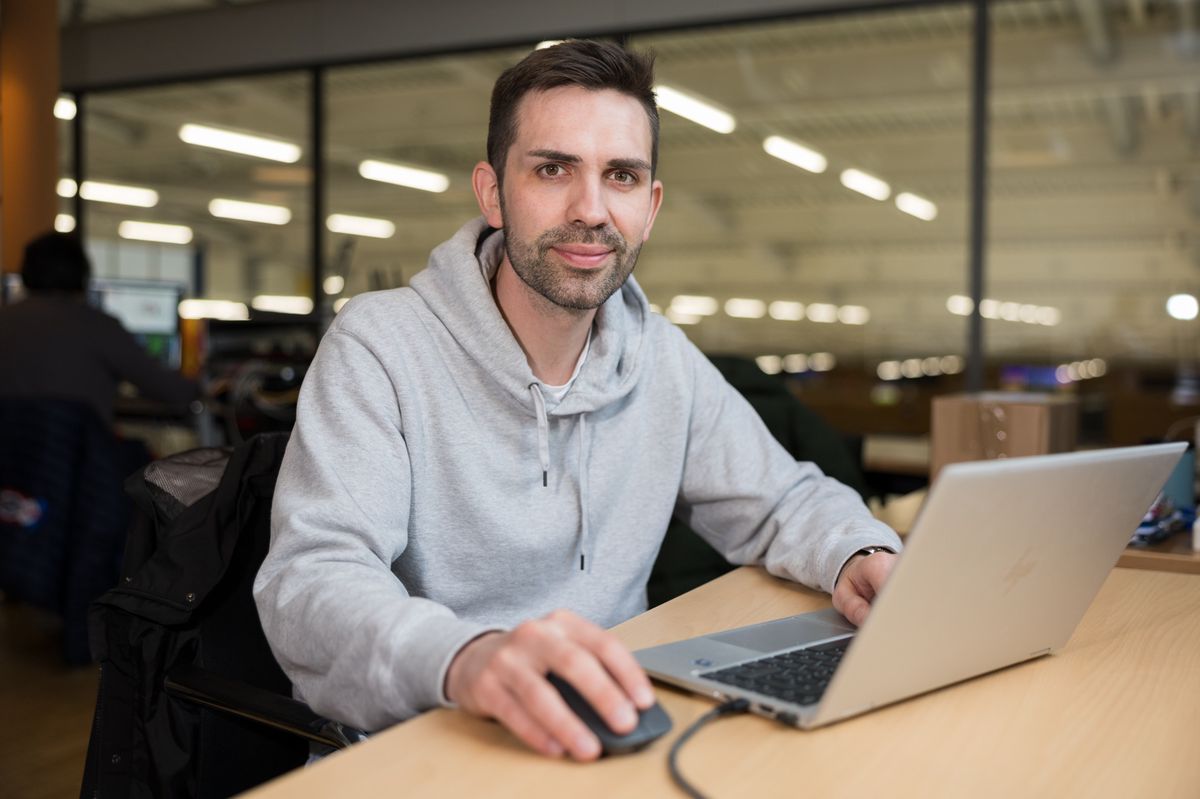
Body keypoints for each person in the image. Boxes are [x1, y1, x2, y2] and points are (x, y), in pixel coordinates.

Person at [254, 39, 902, 763]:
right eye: (553, 168)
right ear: (493, 191)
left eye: (620, 175)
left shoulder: (658, 357)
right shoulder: (381, 346)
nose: (591, 210)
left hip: (609, 736)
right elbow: (310, 582)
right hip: (429, 740)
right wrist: (468, 658)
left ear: (649, 207)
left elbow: (780, 499)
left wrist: (859, 550)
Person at [0, 232, 199, 425]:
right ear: (83, 276)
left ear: (25, 274)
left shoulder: (6, 319)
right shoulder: (98, 326)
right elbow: (171, 390)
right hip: (77, 454)